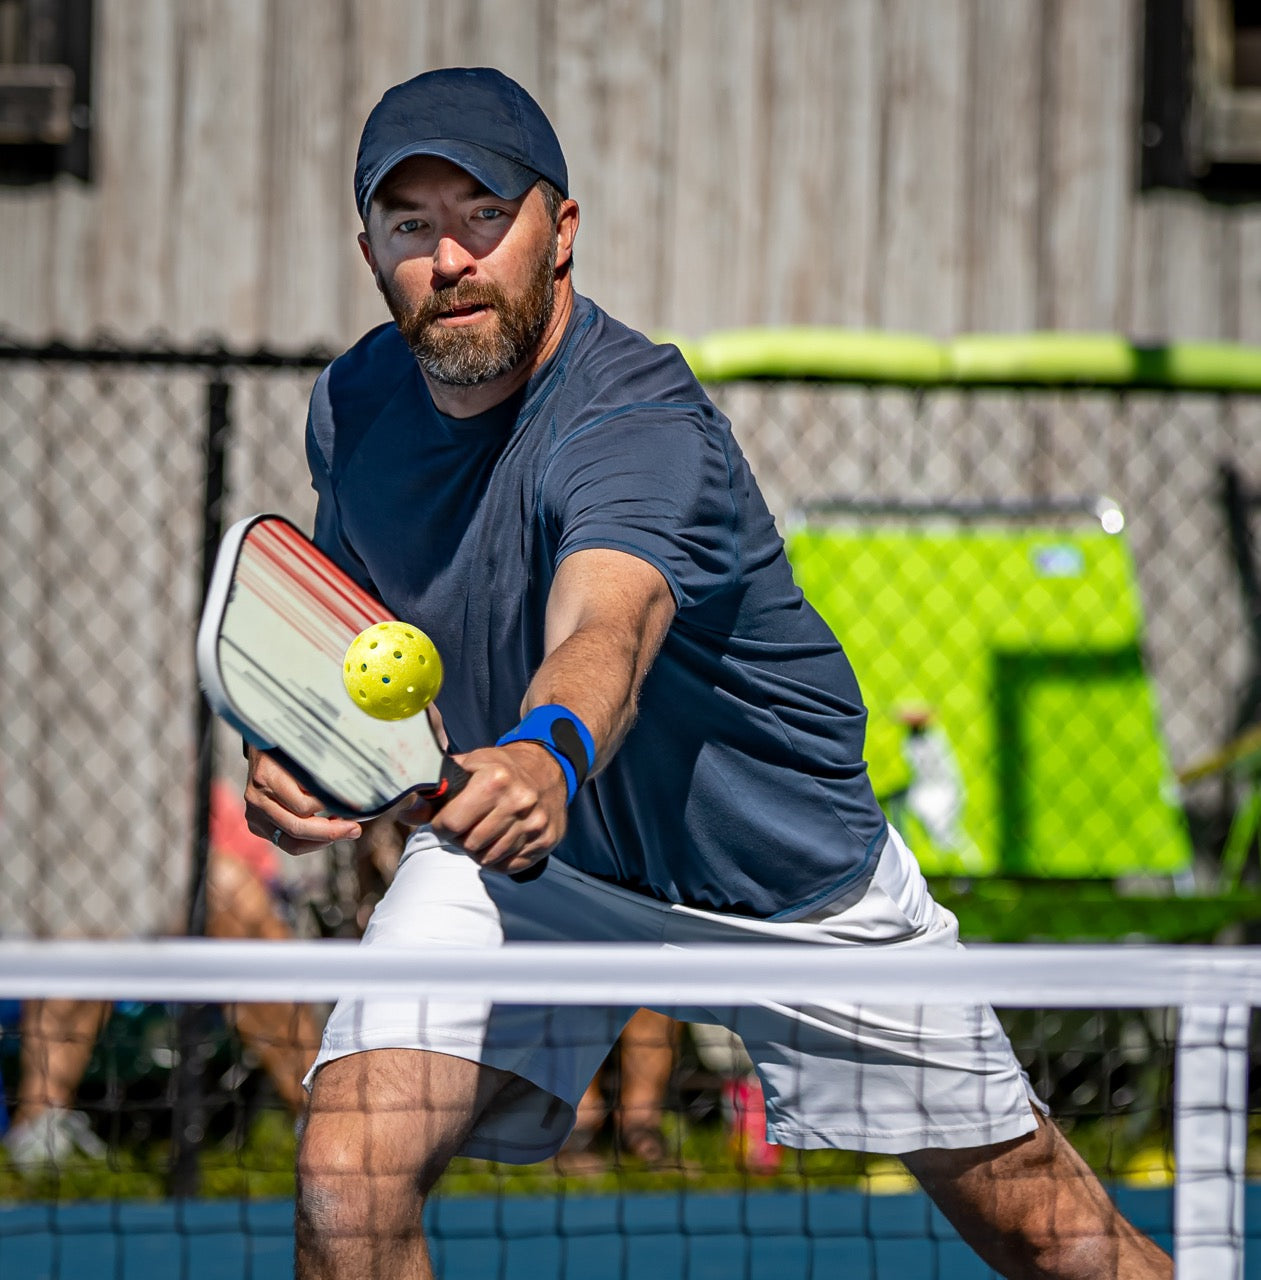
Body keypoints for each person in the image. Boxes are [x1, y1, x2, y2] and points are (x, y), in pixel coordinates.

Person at [244, 66, 1171, 1280]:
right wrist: (310, 754)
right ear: (368, 250)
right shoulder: (353, 407)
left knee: (1049, 1239)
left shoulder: (638, 420)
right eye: (410, 224)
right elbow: (356, 632)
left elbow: (607, 629)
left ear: (559, 232)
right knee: (344, 1179)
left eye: (483, 213)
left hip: (783, 881)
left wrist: (546, 747)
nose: (450, 256)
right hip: (531, 868)